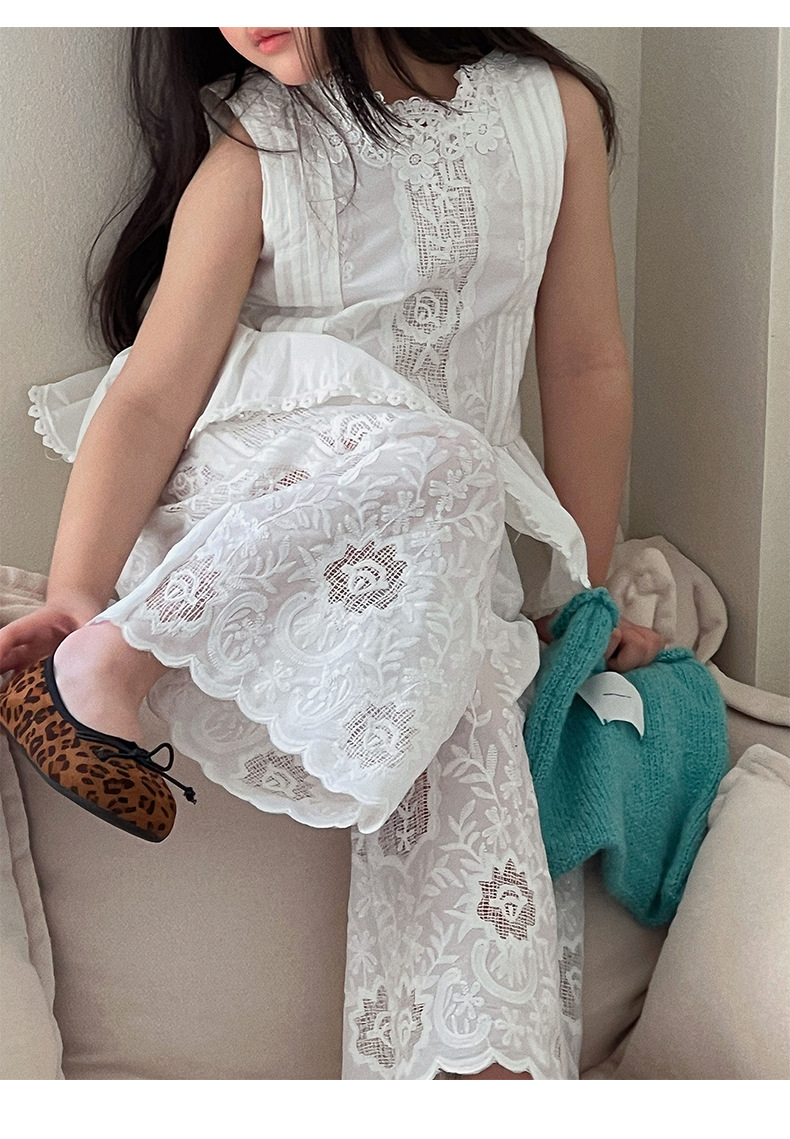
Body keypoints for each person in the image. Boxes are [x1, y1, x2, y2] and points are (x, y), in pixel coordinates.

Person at [0, 28, 665, 1079]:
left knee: (470, 698)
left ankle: (476, 1070)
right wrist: (82, 595)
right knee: (448, 462)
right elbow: (152, 396)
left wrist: (583, 594)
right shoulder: (257, 146)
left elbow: (585, 364)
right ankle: (117, 659)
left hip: (436, 549)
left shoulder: (554, 113)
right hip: (254, 506)